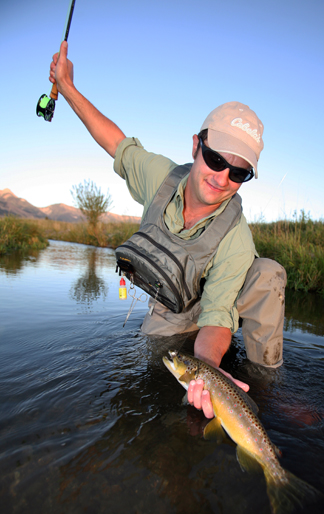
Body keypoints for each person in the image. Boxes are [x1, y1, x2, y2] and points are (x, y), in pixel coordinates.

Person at [49, 41, 287, 419]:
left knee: (267, 273)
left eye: (239, 172)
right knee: (155, 360)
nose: (222, 177)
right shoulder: (159, 175)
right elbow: (115, 142)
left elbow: (216, 315)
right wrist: (68, 86)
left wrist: (207, 373)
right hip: (172, 299)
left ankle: (264, 386)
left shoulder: (236, 237)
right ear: (196, 146)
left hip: (218, 304)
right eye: (215, 158)